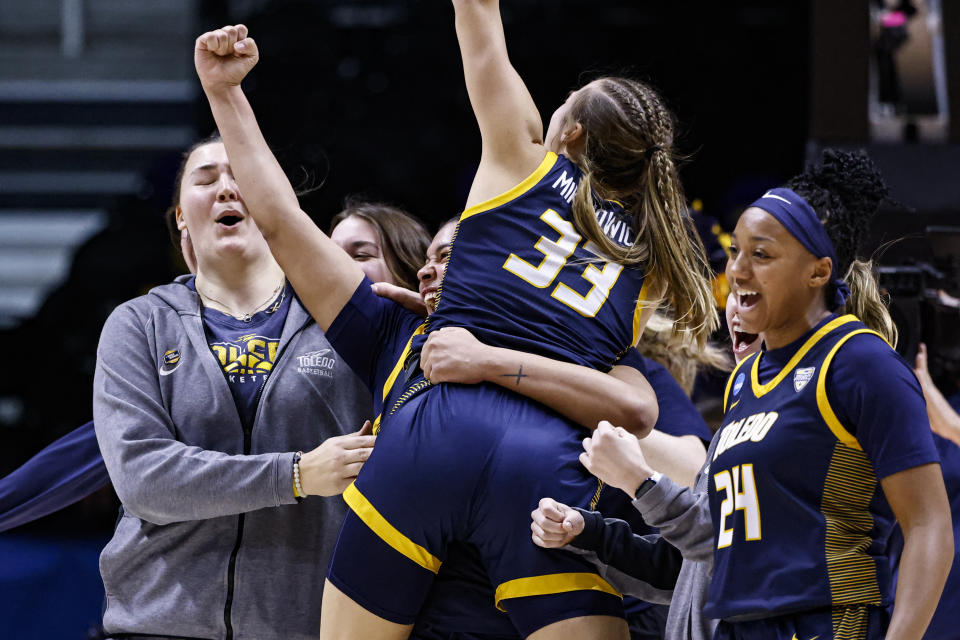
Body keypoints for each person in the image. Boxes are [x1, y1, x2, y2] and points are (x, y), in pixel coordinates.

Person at [193, 9, 716, 637]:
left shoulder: (520, 160)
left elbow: (281, 219)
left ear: (570, 132)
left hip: (430, 435)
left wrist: (225, 93)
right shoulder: (652, 263)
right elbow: (636, 410)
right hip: (545, 469)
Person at [539, 150, 953, 639]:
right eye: (735, 251)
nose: (736, 270)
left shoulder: (860, 362)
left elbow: (930, 526)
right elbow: (710, 551)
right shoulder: (743, 382)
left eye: (761, 254)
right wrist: (591, 533)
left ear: (818, 272)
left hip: (824, 620)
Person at [91, 136, 379, 639]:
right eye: (206, 179)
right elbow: (143, 479)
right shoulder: (139, 324)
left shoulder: (343, 320)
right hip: (159, 627)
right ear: (182, 215)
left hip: (307, 626)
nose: (226, 189)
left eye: (242, 178)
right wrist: (296, 474)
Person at [530, 292, 758, 640]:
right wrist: (589, 534)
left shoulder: (800, 419)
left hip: (629, 614)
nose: (738, 305)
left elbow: (729, 543)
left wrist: (637, 476)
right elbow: (678, 568)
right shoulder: (745, 407)